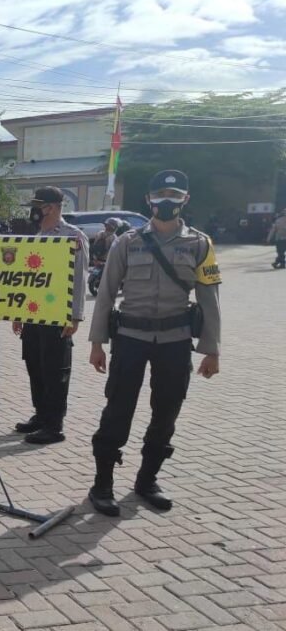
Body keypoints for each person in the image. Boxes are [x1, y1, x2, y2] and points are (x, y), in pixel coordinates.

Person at [87, 170, 222, 517]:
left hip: (175, 343)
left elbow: (210, 298)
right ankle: (102, 484)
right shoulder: (127, 242)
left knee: (166, 412)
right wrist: (97, 342)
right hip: (130, 339)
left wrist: (212, 349)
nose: (166, 200)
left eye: (174, 194)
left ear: (185, 199)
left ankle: (147, 481)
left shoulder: (200, 244)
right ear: (148, 200)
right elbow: (105, 294)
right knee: (118, 411)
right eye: (160, 194)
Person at [11, 187, 88, 445]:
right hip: (34, 312)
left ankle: (54, 425)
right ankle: (41, 415)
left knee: (55, 370)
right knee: (35, 365)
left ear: (51, 208)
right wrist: (18, 312)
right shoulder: (37, 235)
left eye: (38, 206)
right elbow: (26, 277)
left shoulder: (72, 236)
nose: (33, 211)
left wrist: (74, 317)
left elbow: (79, 278)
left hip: (57, 315)